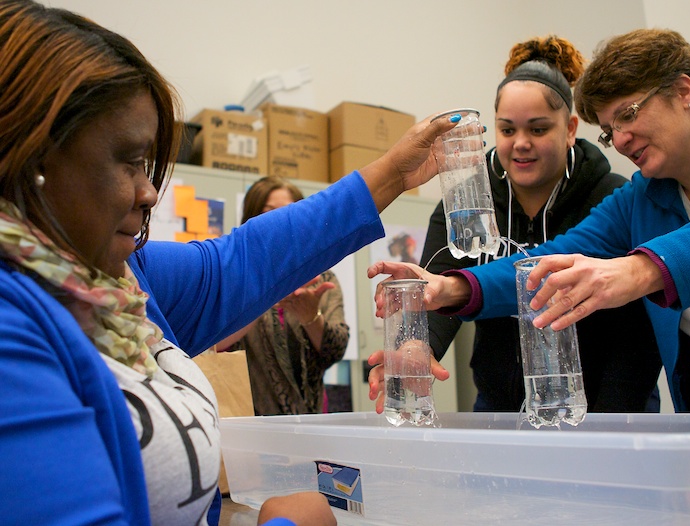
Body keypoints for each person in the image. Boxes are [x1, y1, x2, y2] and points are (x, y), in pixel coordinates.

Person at [0, 1, 459, 525]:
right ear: (32, 155)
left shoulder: (119, 281)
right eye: (128, 161)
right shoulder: (12, 332)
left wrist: (391, 175)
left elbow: (244, 260)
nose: (150, 193)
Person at [368, 28, 690, 414]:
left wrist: (640, 269)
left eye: (628, 115)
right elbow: (551, 259)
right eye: (609, 130)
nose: (620, 140)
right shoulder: (639, 199)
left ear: (683, 90)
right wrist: (450, 287)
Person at [416, 35, 661, 413]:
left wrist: (613, 422)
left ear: (570, 129)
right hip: (499, 406)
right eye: (508, 130)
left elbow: (637, 333)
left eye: (538, 129)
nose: (520, 144)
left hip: (605, 406)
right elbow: (439, 284)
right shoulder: (467, 205)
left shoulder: (612, 197)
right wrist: (420, 346)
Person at [217, 176, 349, 416]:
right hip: (246, 418)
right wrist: (261, 298)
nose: (281, 222)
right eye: (269, 212)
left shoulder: (321, 277)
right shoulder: (236, 274)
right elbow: (212, 344)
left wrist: (311, 318)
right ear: (251, 219)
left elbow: (335, 351)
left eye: (290, 213)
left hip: (311, 419)